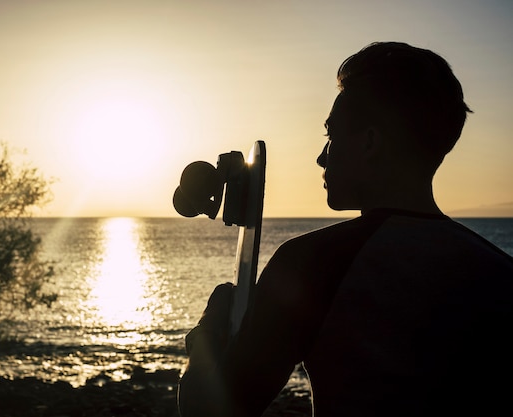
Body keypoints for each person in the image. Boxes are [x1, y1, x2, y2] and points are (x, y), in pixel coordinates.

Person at [177, 41, 513, 417]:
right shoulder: (500, 271)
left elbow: (211, 410)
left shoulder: (312, 262)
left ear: (370, 141)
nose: (322, 156)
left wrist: (205, 334)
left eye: (331, 136)